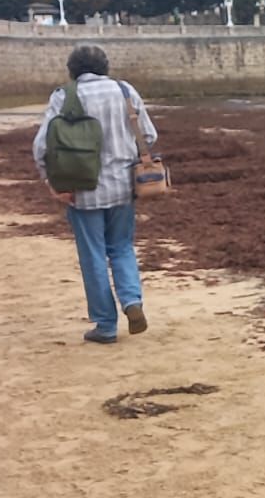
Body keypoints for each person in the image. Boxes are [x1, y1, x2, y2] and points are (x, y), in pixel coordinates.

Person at [32, 44, 158, 344]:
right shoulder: (125, 90)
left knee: (93, 257)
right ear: (105, 67)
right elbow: (149, 135)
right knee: (122, 246)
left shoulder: (65, 96)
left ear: (72, 70)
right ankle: (131, 301)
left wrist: (50, 182)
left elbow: (42, 145)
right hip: (124, 186)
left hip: (81, 189)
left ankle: (105, 325)